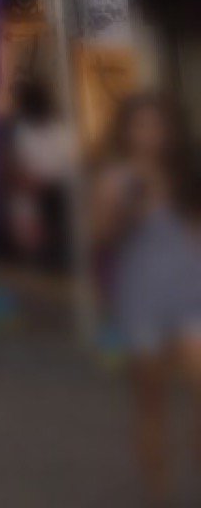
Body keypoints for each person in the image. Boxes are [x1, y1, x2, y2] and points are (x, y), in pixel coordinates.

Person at [92, 94, 201, 504]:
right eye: (141, 126)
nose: (150, 134)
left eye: (157, 125)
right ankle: (159, 492)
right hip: (142, 299)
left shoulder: (184, 175)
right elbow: (101, 235)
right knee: (152, 403)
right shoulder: (116, 179)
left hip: (190, 292)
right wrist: (126, 208)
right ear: (126, 132)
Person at [5, 78, 75, 272]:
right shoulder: (58, 130)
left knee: (45, 257)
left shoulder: (24, 131)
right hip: (41, 199)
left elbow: (15, 170)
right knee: (46, 256)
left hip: (49, 199)